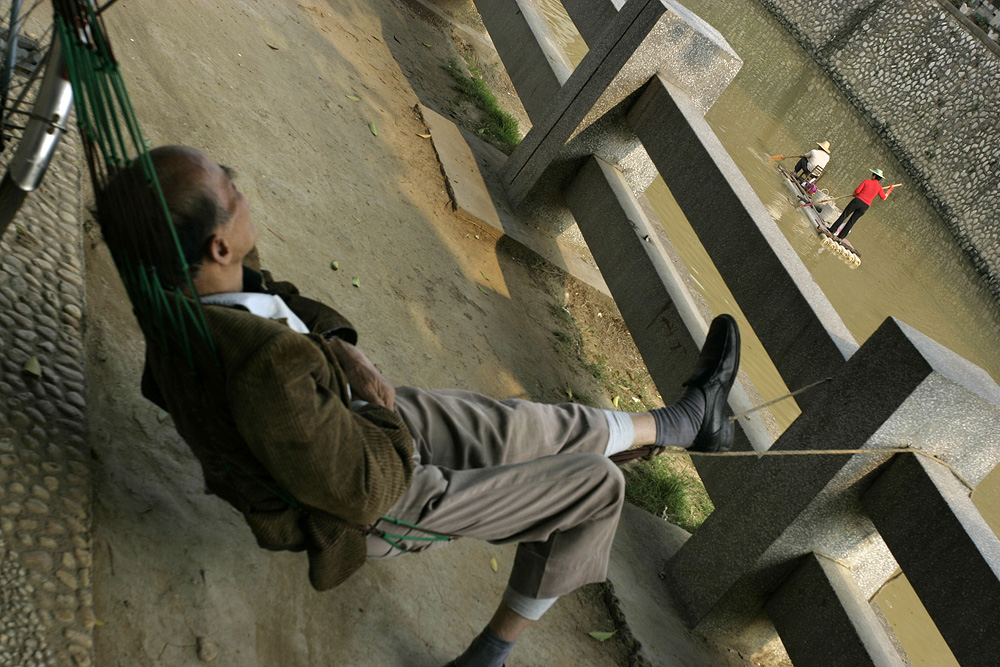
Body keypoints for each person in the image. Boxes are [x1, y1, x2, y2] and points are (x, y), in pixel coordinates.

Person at [96, 146, 741, 667]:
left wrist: (340, 350)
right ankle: (489, 656)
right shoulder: (266, 370)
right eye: (231, 192)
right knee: (597, 487)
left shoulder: (186, 284)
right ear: (217, 247)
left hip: (341, 418)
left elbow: (273, 292)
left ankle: (683, 423)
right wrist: (379, 404)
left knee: (517, 426)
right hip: (378, 501)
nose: (239, 187)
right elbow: (364, 492)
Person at [827, 168, 896, 239]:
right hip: (865, 206)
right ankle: (841, 237)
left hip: (857, 201)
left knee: (844, 215)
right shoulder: (879, 188)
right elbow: (884, 197)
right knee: (852, 221)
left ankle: (832, 230)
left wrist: (855, 194)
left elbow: (857, 191)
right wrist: (890, 189)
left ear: (874, 176)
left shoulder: (867, 181)